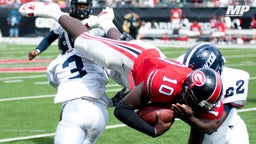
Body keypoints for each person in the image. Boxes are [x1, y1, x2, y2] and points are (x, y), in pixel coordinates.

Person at [19, 1, 224, 141]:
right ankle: (54, 11)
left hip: (148, 72)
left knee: (111, 52)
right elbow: (122, 110)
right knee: (86, 44)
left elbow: (210, 126)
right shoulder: (164, 81)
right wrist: (152, 131)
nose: (203, 106)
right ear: (188, 90)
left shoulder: (211, 93)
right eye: (200, 102)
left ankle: (106, 22)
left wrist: (191, 119)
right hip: (137, 58)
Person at [25, 1, 126, 144]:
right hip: (100, 110)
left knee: (70, 95)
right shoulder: (101, 58)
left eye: (85, 5)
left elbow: (63, 86)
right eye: (80, 5)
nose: (82, 7)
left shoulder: (55, 65)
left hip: (74, 106)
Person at [176, 42, 250, 144]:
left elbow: (213, 126)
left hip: (231, 133)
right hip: (202, 131)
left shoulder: (232, 80)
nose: (193, 80)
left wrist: (190, 118)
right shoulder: (184, 66)